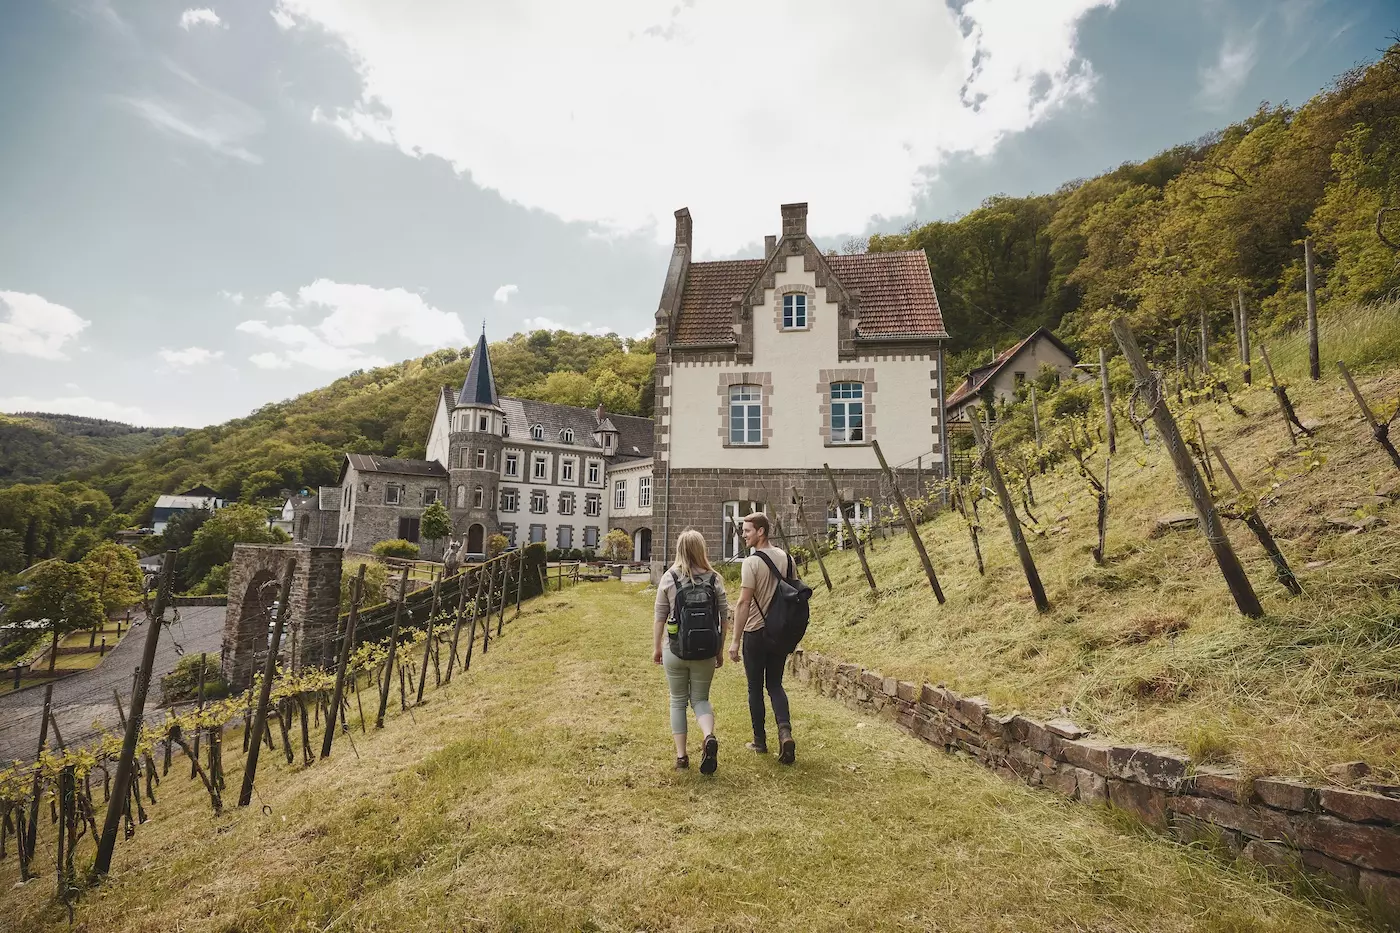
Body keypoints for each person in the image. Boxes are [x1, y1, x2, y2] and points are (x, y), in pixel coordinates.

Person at [653, 528, 728, 773]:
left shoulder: (669, 577)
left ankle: (682, 758)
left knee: (677, 702)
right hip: (706, 650)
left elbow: (660, 616)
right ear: (701, 549)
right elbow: (724, 617)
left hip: (675, 650)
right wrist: (719, 649)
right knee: (701, 699)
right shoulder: (714, 578)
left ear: (679, 550)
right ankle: (708, 736)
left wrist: (657, 648)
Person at [729, 512, 796, 764]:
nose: (743, 535)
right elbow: (793, 594)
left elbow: (743, 603)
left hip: (755, 633)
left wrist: (735, 641)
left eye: (747, 530)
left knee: (754, 687)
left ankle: (759, 741)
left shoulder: (751, 563)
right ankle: (785, 732)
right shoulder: (787, 559)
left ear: (761, 531)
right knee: (776, 685)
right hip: (779, 632)